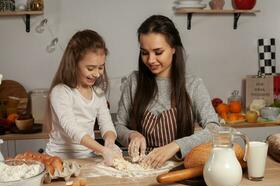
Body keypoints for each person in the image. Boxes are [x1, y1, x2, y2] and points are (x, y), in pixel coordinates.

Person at [116, 15, 219, 168]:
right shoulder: (134, 81)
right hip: (139, 168)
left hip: (179, 168)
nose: (150, 60)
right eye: (144, 53)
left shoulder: (193, 85)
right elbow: (119, 126)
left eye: (158, 52)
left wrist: (176, 145)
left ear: (173, 49)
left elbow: (214, 129)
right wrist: (131, 135)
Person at [44, 30, 122, 165]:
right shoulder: (61, 92)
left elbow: (106, 124)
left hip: (87, 158)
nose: (97, 74)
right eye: (90, 68)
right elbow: (72, 128)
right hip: (58, 159)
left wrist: (109, 142)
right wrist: (102, 150)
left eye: (101, 67)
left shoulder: (98, 94)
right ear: (74, 63)